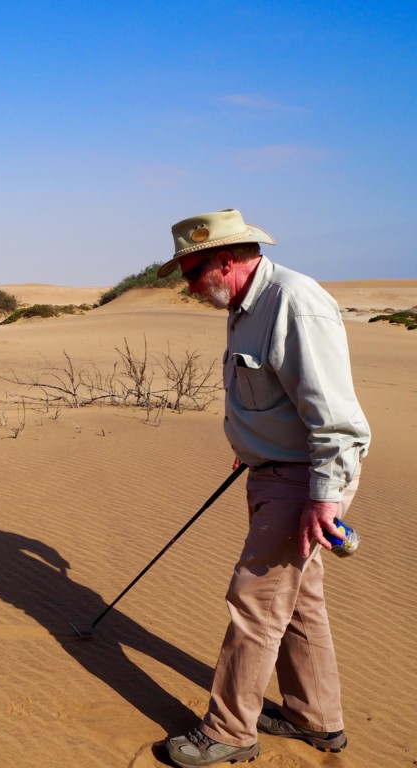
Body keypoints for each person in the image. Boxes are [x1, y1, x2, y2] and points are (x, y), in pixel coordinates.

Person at [156, 209, 371, 767]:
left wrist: (323, 498)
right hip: (273, 471)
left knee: (254, 602)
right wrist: (251, 442)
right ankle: (314, 719)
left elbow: (337, 420)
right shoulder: (243, 305)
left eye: (191, 270)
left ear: (224, 260)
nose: (188, 284)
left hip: (305, 479)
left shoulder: (293, 304)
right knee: (298, 604)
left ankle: (228, 733)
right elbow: (272, 395)